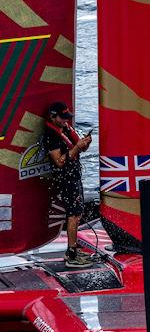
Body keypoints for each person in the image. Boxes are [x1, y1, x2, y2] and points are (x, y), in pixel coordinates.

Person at [43, 102, 92, 268]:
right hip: (65, 179)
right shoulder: (51, 135)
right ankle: (71, 255)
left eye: (67, 118)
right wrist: (78, 147)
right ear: (52, 116)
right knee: (73, 214)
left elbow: (80, 150)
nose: (65, 121)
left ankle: (74, 249)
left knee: (78, 213)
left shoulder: (66, 129)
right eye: (62, 118)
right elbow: (59, 162)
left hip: (75, 176)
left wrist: (85, 143)